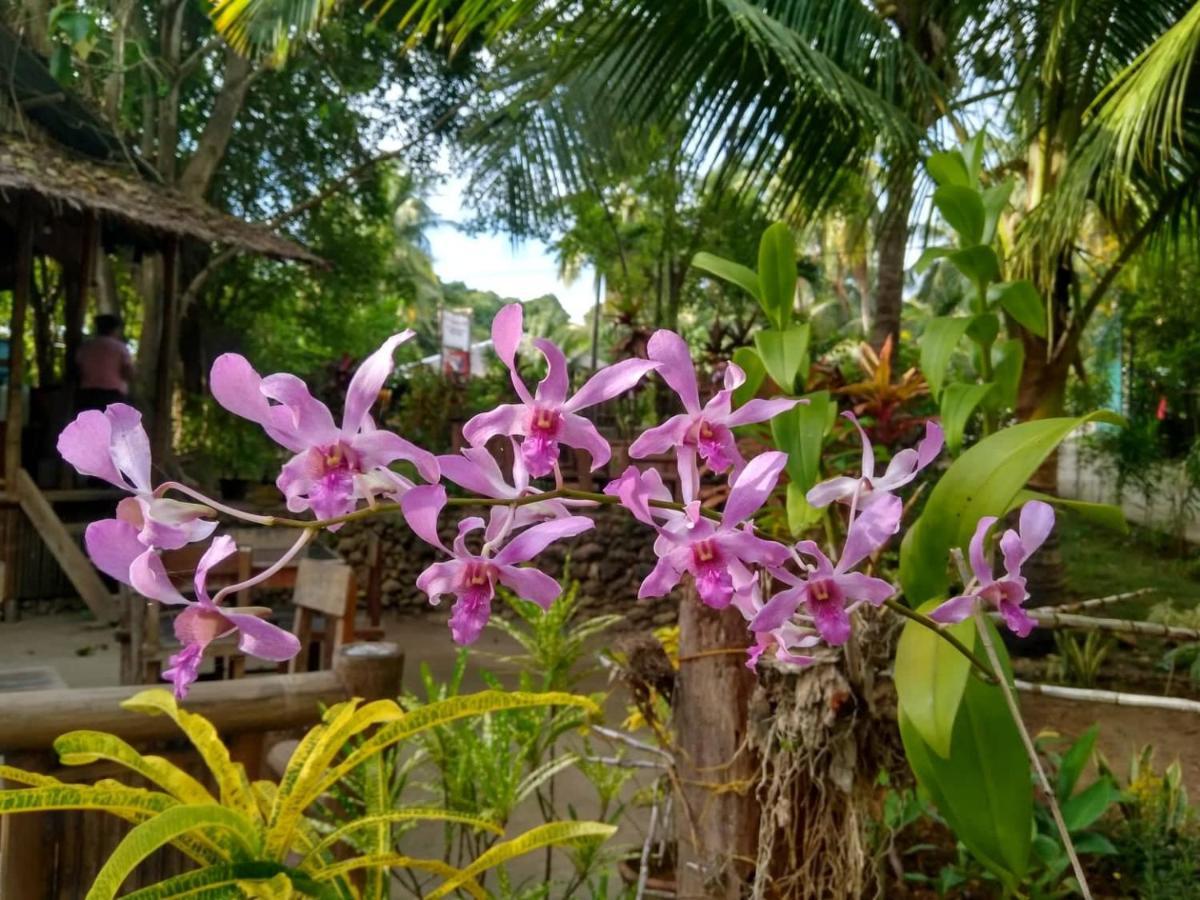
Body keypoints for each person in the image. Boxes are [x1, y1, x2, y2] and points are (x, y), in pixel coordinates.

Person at [76, 314, 134, 411]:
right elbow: (127, 372)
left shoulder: (86, 347)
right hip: (113, 395)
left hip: (88, 395)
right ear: (114, 329)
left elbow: (78, 370)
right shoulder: (120, 348)